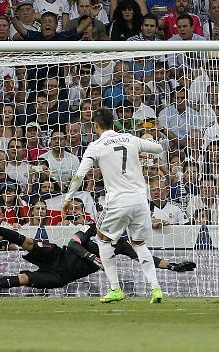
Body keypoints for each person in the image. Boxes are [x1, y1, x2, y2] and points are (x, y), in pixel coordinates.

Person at [62, 108, 165, 303]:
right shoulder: (130, 139)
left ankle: (115, 289)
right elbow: (158, 149)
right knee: (139, 244)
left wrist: (68, 198)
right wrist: (150, 137)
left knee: (102, 240)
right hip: (140, 201)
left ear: (96, 126)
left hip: (118, 201)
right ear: (113, 123)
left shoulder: (96, 145)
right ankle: (155, 288)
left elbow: (79, 175)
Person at [0, 220, 195, 290]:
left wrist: (172, 266)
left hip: (63, 276)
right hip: (58, 257)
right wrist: (92, 259)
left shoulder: (121, 245)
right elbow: (72, 245)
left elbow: (146, 259)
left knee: (23, 280)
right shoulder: (89, 230)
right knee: (30, 242)